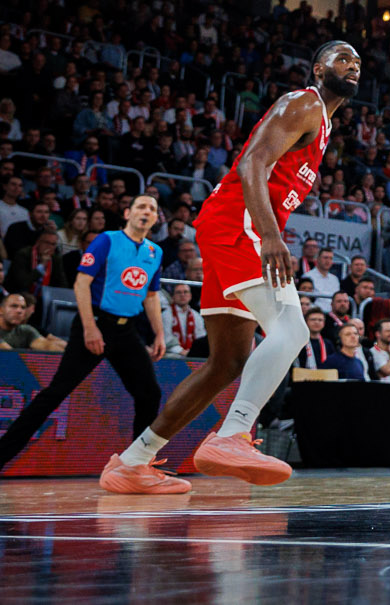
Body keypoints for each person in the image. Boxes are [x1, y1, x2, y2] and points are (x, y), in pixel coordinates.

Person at [102, 43, 357, 493]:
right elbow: (251, 162)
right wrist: (272, 235)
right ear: (319, 69)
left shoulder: (324, 125)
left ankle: (130, 463)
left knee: (227, 362)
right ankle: (234, 432)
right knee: (292, 329)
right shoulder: (304, 103)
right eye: (342, 59)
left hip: (234, 227)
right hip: (238, 225)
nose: (352, 66)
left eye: (357, 63)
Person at [0, 196, 170, 482]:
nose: (147, 212)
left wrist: (160, 334)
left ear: (155, 219)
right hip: (95, 322)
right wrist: (90, 328)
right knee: (55, 393)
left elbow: (151, 296)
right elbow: (81, 283)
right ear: (127, 213)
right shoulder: (107, 240)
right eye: (141, 206)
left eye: (153, 208)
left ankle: (136, 465)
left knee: (149, 394)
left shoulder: (155, 251)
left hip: (127, 330)